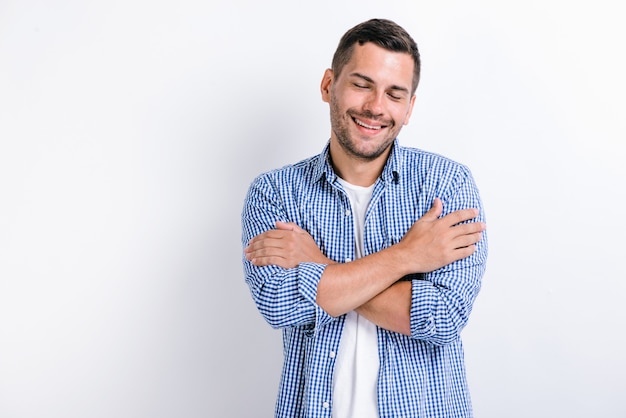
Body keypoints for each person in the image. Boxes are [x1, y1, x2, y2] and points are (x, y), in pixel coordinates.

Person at [241, 18, 487, 418]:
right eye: (361, 84)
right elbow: (280, 305)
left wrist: (317, 266)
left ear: (409, 108)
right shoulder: (275, 192)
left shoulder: (447, 186)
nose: (375, 107)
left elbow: (443, 318)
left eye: (394, 93)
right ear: (328, 86)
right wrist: (409, 257)